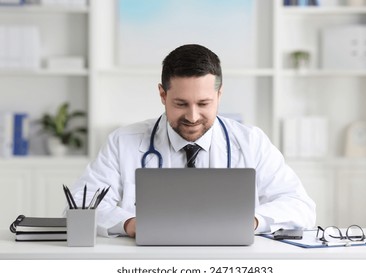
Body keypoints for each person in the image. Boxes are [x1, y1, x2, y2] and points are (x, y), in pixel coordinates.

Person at [71, 44, 316, 238]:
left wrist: (251, 221)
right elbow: (81, 209)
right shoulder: (122, 142)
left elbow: (300, 206)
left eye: (203, 103)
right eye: (181, 104)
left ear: (219, 95)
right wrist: (130, 224)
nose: (192, 116)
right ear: (162, 94)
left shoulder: (251, 142)